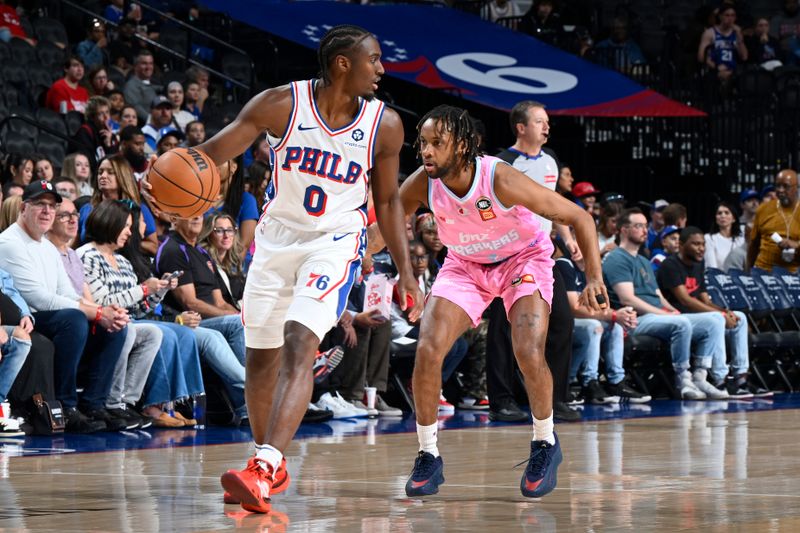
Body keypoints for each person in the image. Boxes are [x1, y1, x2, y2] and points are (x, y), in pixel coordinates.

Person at [148, 25, 422, 513]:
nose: (382, 69)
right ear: (343, 63)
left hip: (334, 243)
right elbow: (208, 156)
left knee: (301, 340)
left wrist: (405, 270)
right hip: (274, 244)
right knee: (261, 359)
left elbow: (387, 200)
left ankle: (265, 463)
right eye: (373, 60)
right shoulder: (279, 104)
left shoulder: (386, 125)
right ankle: (265, 460)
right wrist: (161, 180)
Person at [398, 105, 606, 498]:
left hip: (522, 259)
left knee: (527, 349)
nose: (426, 151)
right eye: (422, 143)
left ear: (461, 145)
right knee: (428, 349)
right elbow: (385, 225)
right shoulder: (423, 183)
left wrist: (594, 276)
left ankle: (545, 442)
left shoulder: (499, 177)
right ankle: (428, 454)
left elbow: (580, 217)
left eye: (436, 143)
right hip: (464, 264)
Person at [0, 180, 130, 432]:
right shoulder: (9, 242)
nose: (48, 211)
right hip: (27, 316)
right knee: (75, 319)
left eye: (52, 206)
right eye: (40, 204)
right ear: (23, 208)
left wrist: (105, 315)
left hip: (51, 315)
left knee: (115, 328)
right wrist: (96, 312)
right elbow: (39, 298)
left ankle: (94, 403)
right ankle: (65, 406)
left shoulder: (48, 247)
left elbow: (66, 293)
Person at [493, 100, 583, 423]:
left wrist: (569, 239)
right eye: (540, 122)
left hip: (543, 253)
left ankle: (555, 398)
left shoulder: (551, 162)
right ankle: (501, 400)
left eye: (547, 122)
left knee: (562, 320)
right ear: (521, 127)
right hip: (508, 255)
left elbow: (553, 205)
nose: (547, 127)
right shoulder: (503, 163)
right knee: (504, 328)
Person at [602, 208, 718, 400]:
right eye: (638, 226)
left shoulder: (643, 261)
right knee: (681, 324)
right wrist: (666, 314)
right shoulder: (617, 258)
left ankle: (701, 376)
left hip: (655, 316)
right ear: (623, 229)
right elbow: (627, 299)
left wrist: (674, 311)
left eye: (645, 226)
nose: (645, 230)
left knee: (713, 321)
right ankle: (683, 378)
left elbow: (659, 296)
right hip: (634, 320)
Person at [657, 227, 754, 398]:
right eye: (695, 244)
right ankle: (720, 379)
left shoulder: (698, 264)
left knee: (741, 318)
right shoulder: (670, 265)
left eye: (703, 244)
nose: (701, 248)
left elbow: (705, 300)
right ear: (681, 245)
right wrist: (722, 316)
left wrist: (727, 312)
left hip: (700, 317)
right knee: (716, 319)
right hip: (678, 318)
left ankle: (740, 378)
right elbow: (685, 299)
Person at [747, 169, 800, 272]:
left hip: (793, 275)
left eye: (786, 186)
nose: (780, 190)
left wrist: (797, 244)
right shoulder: (763, 209)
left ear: (796, 188)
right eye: (777, 186)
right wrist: (747, 272)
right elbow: (753, 245)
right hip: (763, 272)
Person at [704, 201, 745, 270]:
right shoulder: (709, 238)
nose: (723, 216)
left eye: (727, 213)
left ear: (734, 219)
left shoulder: (741, 240)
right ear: (715, 218)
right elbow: (712, 267)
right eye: (719, 213)